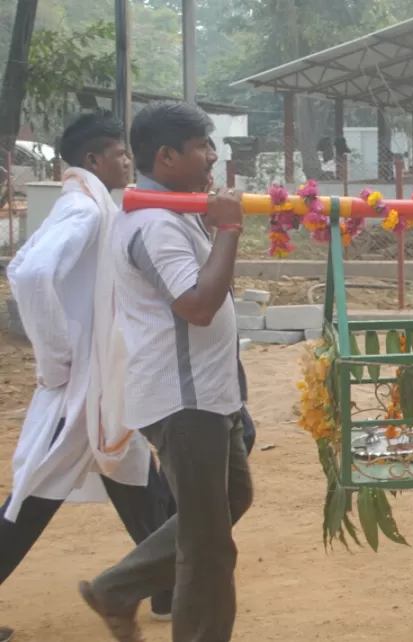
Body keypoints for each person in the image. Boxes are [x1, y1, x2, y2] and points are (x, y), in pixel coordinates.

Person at [77, 101, 252, 642]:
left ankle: (117, 587)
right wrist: (227, 231)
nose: (213, 156)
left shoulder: (175, 212)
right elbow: (197, 306)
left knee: (232, 501)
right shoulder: (154, 225)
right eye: (203, 146)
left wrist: (212, 226)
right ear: (167, 155)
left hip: (210, 395)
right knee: (209, 550)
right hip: (185, 403)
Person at [1, 112, 175, 641]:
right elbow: (29, 273)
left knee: (139, 479)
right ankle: (170, 579)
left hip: (102, 383)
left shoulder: (96, 202)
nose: (128, 159)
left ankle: (169, 582)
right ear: (95, 160)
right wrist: (56, 358)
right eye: (120, 153)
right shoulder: (82, 205)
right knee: (31, 503)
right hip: (80, 389)